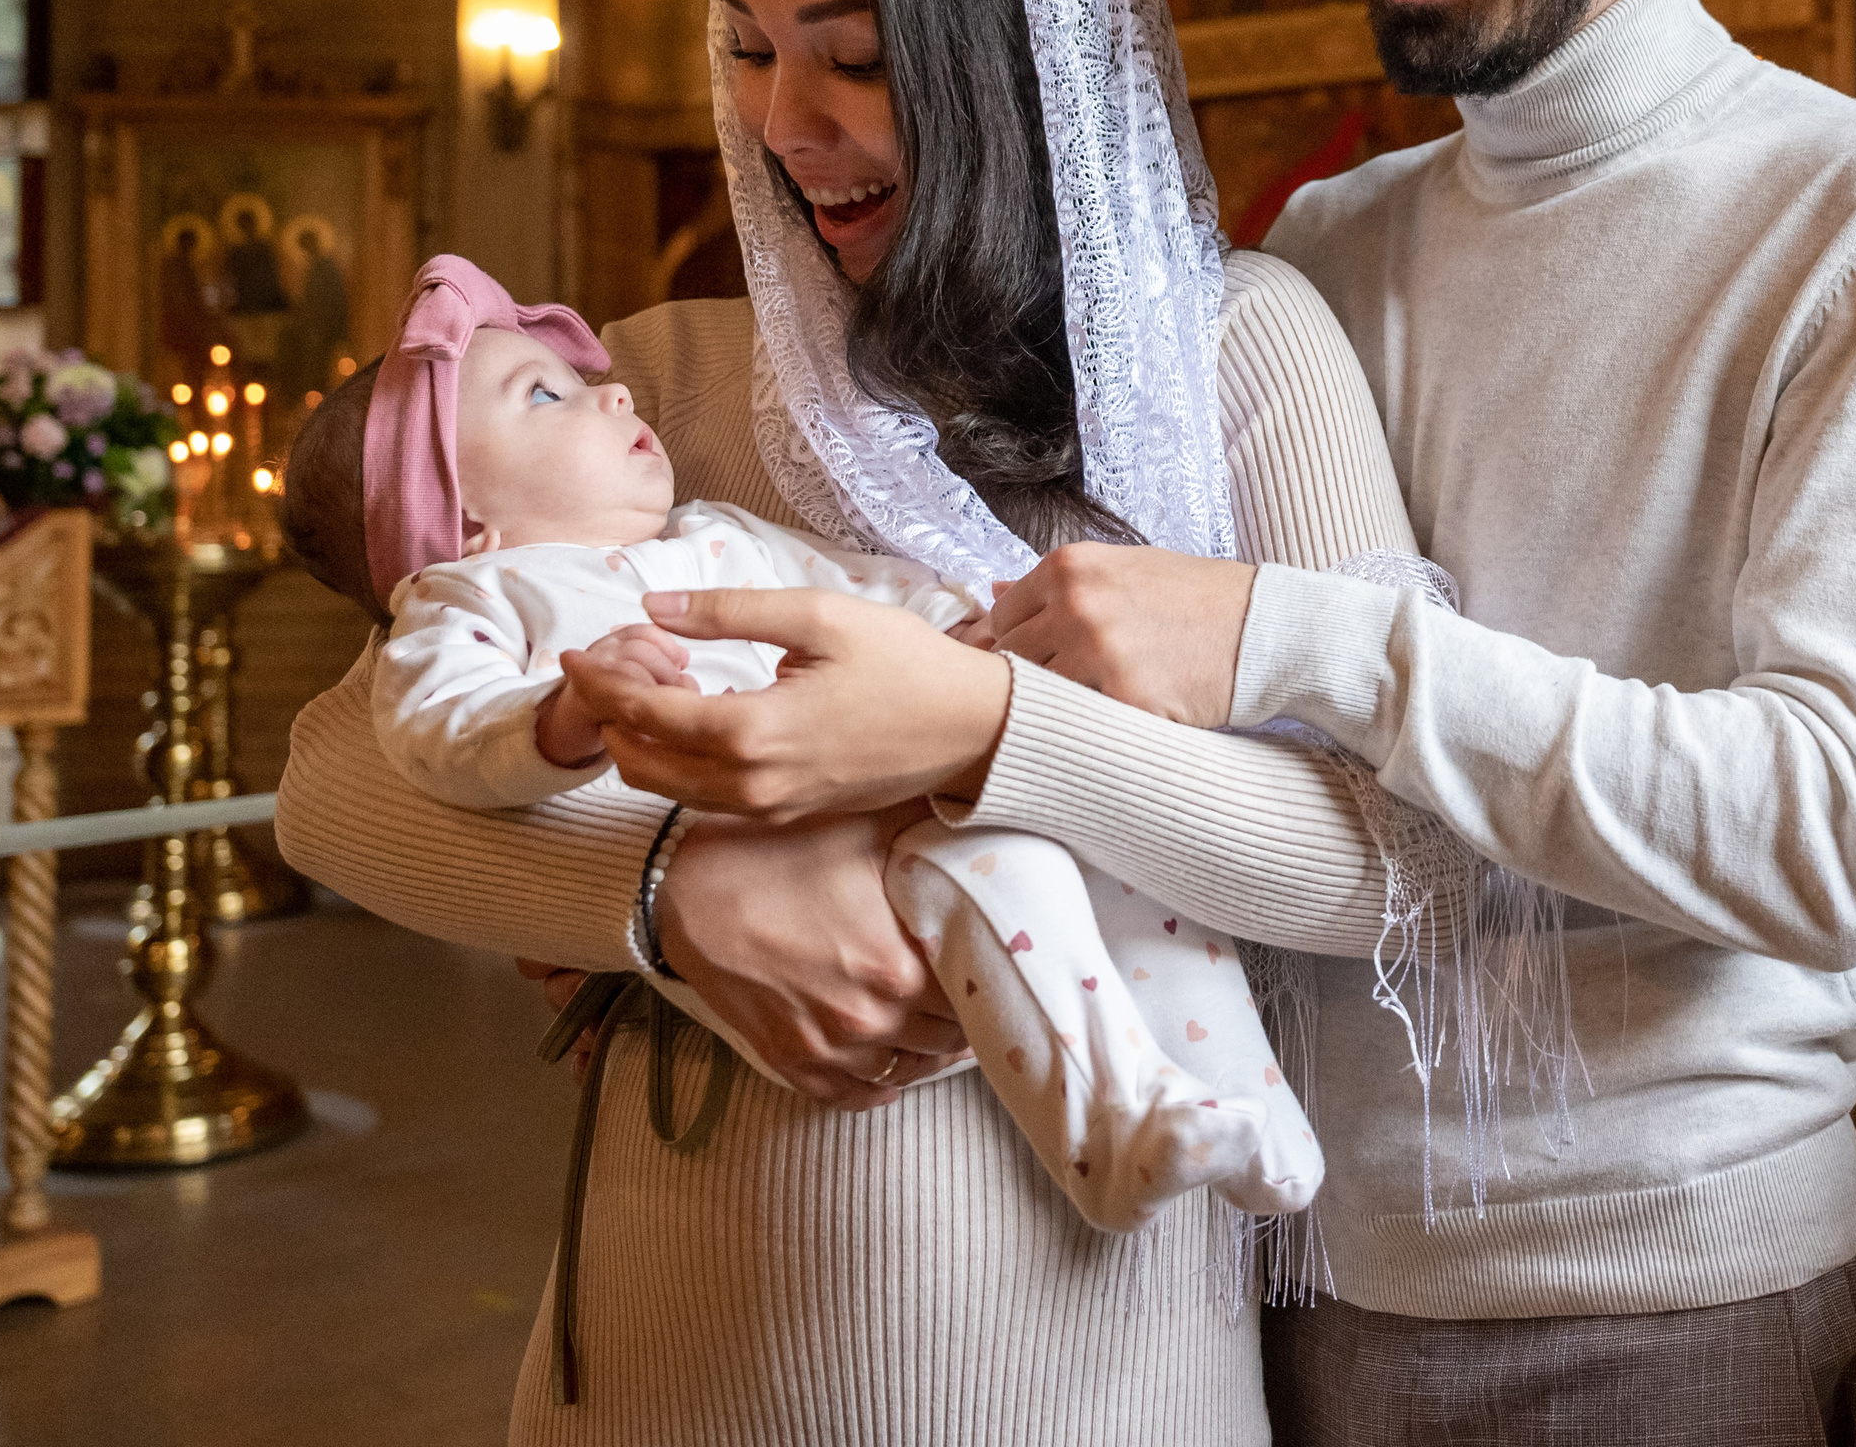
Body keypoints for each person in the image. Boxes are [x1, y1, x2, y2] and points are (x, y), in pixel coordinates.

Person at [583, 0, 1856, 1444]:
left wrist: (1287, 639)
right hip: (1278, 1275)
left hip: (1650, 1284)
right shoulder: (1328, 251)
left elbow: (1836, 837)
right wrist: (655, 876)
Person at [275, 0, 1452, 1447]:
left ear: (1019, 58)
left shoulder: (1239, 353)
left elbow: (1385, 856)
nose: (779, 121)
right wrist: (673, 886)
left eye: (856, 58)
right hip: (685, 1351)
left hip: (1095, 1369)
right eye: (747, 47)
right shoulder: (665, 388)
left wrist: (989, 727)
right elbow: (332, 773)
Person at [283, 252, 1318, 1239]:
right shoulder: (471, 598)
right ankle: (1111, 1130)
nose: (614, 392)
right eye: (545, 397)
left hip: (884, 794)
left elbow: (849, 588)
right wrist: (563, 732)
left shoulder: (707, 533)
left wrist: (964, 624)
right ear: (464, 526)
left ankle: (1240, 1100)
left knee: (1120, 874)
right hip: (793, 877)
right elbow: (421, 731)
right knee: (1001, 871)